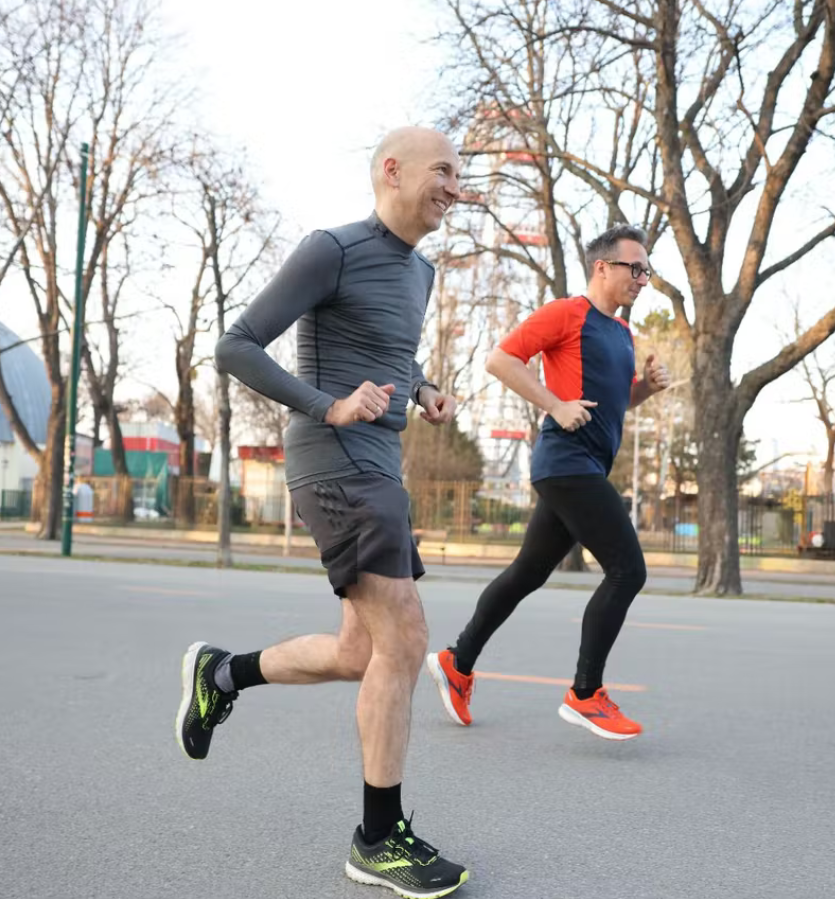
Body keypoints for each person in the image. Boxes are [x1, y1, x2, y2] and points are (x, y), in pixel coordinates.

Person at [180, 126, 469, 898]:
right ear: (391, 170)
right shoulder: (331, 247)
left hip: (380, 462)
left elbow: (389, 350)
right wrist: (327, 405)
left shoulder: (422, 271)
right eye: (443, 170)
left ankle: (223, 673)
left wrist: (421, 386)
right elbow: (236, 345)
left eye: (458, 174)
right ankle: (378, 839)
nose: (453, 185)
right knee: (405, 636)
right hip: (335, 460)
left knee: (359, 651)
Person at [426, 225, 670, 742]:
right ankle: (585, 694)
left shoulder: (622, 334)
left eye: (647, 270)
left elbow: (615, 404)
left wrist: (644, 388)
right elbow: (499, 359)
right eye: (636, 268)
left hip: (583, 468)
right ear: (603, 267)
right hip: (565, 463)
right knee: (627, 570)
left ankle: (456, 661)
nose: (643, 279)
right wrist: (554, 406)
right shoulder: (566, 313)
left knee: (528, 572)